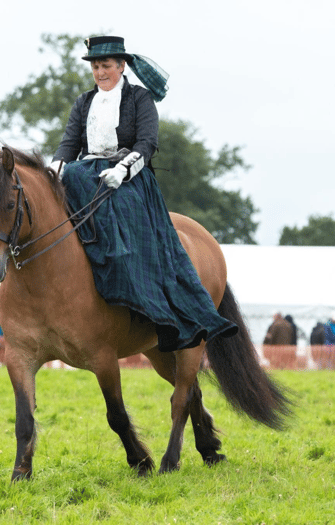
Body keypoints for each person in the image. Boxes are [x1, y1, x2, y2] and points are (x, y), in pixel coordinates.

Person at [49, 35, 236, 353]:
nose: (100, 72)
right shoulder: (83, 102)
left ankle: (149, 304)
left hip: (130, 176)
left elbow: (147, 144)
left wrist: (122, 170)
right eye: (95, 66)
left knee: (124, 211)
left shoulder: (140, 99)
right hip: (85, 172)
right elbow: (69, 143)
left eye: (106, 65)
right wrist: (53, 170)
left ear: (121, 66)